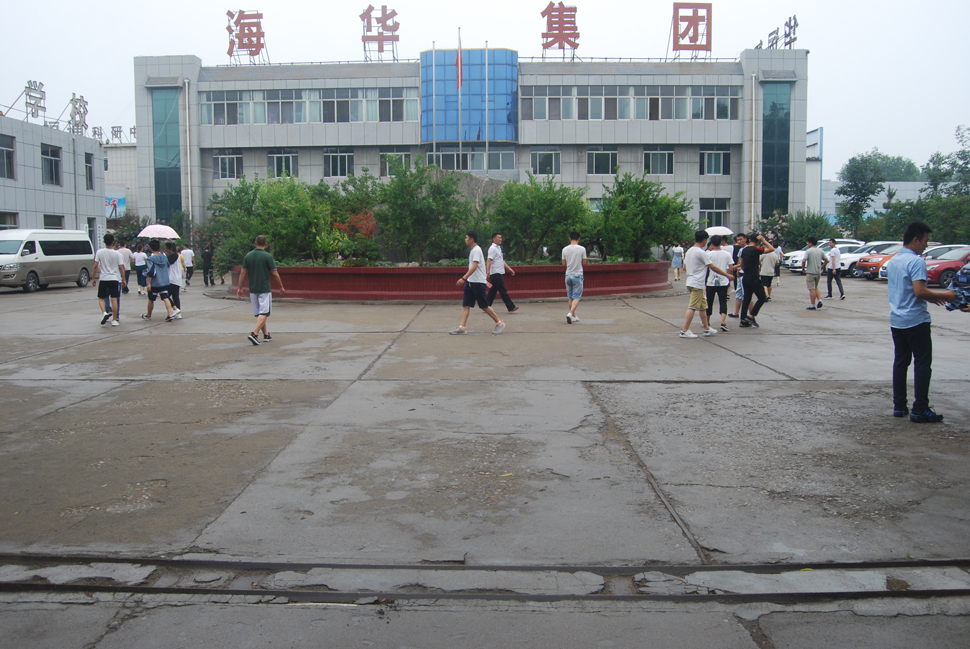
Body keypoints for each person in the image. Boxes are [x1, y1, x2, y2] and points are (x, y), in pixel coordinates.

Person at [886, 221, 955, 423]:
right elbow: (919, 291)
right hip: (916, 320)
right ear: (915, 240)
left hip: (897, 319)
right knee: (923, 364)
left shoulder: (894, 260)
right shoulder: (916, 262)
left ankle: (899, 406)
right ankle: (920, 408)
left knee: (901, 362)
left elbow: (909, 290)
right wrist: (946, 296)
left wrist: (932, 297)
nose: (926, 245)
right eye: (925, 241)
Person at [450, 230, 504, 335]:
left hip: (477, 283)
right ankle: (462, 328)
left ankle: (499, 323)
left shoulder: (476, 250)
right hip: (471, 282)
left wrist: (463, 278)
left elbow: (474, 267)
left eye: (466, 238)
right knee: (466, 305)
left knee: (484, 305)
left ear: (471, 239)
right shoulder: (473, 250)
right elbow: (479, 268)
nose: (465, 240)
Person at [680, 230, 732, 338]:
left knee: (703, 306)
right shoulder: (701, 252)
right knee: (692, 306)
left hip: (690, 281)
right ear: (704, 240)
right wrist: (727, 275)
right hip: (697, 283)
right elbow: (713, 267)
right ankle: (684, 330)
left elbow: (684, 267)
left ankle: (706, 328)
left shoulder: (689, 251)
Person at [237, 235, 286, 345]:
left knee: (260, 313)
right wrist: (281, 286)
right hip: (264, 288)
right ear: (266, 244)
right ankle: (254, 334)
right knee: (264, 312)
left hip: (253, 288)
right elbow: (274, 273)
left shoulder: (248, 256)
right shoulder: (267, 256)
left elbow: (243, 273)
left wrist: (239, 288)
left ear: (255, 243)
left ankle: (266, 334)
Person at [738, 233, 774, 328]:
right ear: (758, 241)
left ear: (749, 240)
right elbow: (771, 249)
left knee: (746, 299)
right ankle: (751, 315)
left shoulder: (744, 250)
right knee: (762, 297)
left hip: (746, 276)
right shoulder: (756, 249)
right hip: (753, 277)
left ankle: (743, 320)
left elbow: (742, 264)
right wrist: (764, 240)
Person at [93, 233, 126, 327]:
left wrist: (93, 278)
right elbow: (121, 267)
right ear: (113, 242)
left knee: (101, 297)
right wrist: (123, 279)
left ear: (104, 242)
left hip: (104, 278)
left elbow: (95, 266)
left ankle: (104, 312)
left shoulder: (99, 252)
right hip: (114, 278)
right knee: (114, 299)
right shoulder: (117, 254)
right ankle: (115, 320)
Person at [142, 239, 177, 322]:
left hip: (155, 282)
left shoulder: (151, 259)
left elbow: (151, 271)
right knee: (165, 297)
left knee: (151, 298)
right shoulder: (164, 257)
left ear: (150, 248)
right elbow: (167, 265)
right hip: (164, 281)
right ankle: (169, 314)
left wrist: (149, 283)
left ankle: (149, 315)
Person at [705, 235, 733, 332]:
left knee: (709, 302)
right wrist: (729, 277)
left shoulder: (708, 254)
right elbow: (731, 267)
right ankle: (723, 322)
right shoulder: (727, 254)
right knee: (723, 302)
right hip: (723, 281)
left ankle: (707, 321)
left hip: (711, 282)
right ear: (721, 242)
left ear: (712, 243)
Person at [486, 233, 518, 313]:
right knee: (503, 290)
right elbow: (489, 260)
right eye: (499, 238)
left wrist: (509, 269)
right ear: (494, 239)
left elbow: (501, 260)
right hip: (495, 272)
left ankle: (486, 305)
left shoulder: (498, 248)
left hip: (499, 272)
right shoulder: (492, 248)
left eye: (501, 238)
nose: (501, 239)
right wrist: (488, 272)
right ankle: (510, 306)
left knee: (493, 291)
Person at [562, 231, 587, 324]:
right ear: (579, 239)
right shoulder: (582, 249)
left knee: (570, 297)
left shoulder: (564, 249)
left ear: (570, 238)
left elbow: (563, 263)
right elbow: (584, 263)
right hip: (577, 274)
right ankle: (570, 313)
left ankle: (573, 316)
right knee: (577, 296)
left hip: (568, 274)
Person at [804, 237, 828, 310]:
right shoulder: (820, 250)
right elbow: (827, 260)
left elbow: (804, 260)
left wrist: (803, 268)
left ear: (810, 243)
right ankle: (819, 300)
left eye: (808, 243)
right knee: (815, 287)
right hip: (818, 272)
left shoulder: (808, 251)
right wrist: (822, 267)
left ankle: (813, 305)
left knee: (811, 289)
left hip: (810, 272)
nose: (808, 244)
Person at [728, 233, 746, 319]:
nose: (739, 241)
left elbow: (742, 263)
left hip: (746, 274)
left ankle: (751, 315)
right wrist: (738, 269)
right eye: (738, 240)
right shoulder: (741, 250)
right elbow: (740, 261)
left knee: (747, 295)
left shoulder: (747, 249)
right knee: (739, 294)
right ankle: (736, 312)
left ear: (745, 239)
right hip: (740, 274)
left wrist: (735, 267)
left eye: (741, 239)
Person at [166, 242, 185, 318]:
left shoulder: (173, 256)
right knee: (175, 296)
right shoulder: (175, 256)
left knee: (165, 295)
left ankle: (175, 309)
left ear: (170, 249)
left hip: (172, 279)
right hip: (176, 279)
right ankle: (178, 313)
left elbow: (168, 263)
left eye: (166, 248)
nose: (166, 250)